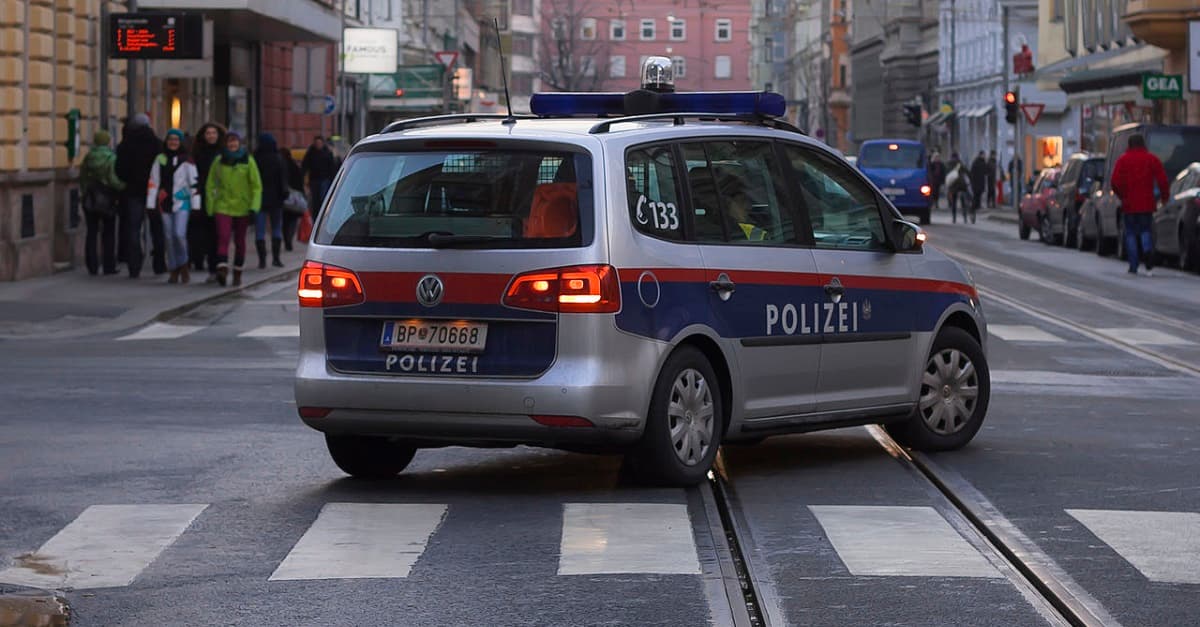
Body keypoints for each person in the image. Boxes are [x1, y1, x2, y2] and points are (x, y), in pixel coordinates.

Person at [205, 131, 262, 287]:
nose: (232, 144)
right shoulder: (218, 161)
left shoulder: (248, 161)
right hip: (223, 205)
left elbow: (256, 186)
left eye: (235, 141)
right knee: (223, 237)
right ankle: (222, 269)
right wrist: (210, 206)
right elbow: (210, 184)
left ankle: (237, 272)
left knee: (239, 240)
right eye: (229, 142)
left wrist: (254, 207)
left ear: (239, 143)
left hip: (243, 207)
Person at [147, 129, 201, 284]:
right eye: (170, 139)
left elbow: (194, 182)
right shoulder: (160, 159)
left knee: (179, 234)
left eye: (176, 140)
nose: (173, 142)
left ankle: (183, 264)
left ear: (180, 142)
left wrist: (196, 204)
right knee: (169, 237)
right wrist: (150, 203)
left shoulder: (187, 160)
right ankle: (173, 268)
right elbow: (153, 181)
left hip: (182, 201)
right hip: (164, 201)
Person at [1110, 133, 1169, 276]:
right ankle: (1147, 252)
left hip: (1129, 204)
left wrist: (1122, 195)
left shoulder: (1123, 160)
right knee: (1145, 230)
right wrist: (1164, 198)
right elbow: (1162, 180)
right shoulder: (1151, 159)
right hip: (1146, 203)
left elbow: (1114, 182)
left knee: (1130, 233)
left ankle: (1133, 265)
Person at [114, 113, 162, 278]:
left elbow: (119, 170)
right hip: (154, 190)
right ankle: (159, 263)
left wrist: (129, 180)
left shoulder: (125, 145)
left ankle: (134, 265)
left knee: (133, 229)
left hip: (133, 191)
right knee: (157, 228)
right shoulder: (157, 144)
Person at [79, 129, 125, 276]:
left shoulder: (88, 157)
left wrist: (85, 192)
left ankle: (92, 265)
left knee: (91, 232)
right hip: (107, 198)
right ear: (107, 141)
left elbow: (82, 177)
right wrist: (123, 187)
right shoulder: (111, 158)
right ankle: (108, 265)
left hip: (90, 198)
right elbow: (113, 179)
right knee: (109, 233)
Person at [191, 123, 225, 283]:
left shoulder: (224, 153)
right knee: (208, 233)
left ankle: (220, 265)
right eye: (208, 133)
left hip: (222, 198)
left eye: (213, 133)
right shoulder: (198, 154)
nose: (211, 136)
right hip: (203, 197)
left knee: (221, 234)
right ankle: (211, 266)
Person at [253, 133, 288, 269]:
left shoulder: (255, 158)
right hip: (276, 199)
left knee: (260, 230)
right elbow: (283, 180)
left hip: (259, 199)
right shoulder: (278, 158)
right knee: (276, 228)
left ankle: (262, 261)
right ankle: (276, 258)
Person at [301, 135, 337, 218]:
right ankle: (316, 216)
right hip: (314, 180)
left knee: (323, 199)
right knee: (315, 200)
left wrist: (333, 180)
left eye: (319, 143)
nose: (318, 145)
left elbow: (332, 167)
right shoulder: (311, 153)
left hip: (325, 179)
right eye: (317, 143)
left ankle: (323, 216)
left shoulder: (327, 153)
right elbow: (305, 166)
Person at [280, 146, 304, 251]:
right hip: (294, 198)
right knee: (293, 220)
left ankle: (287, 240)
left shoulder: (279, 165)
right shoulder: (294, 166)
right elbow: (300, 181)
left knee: (285, 221)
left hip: (283, 197)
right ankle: (289, 239)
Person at [969, 151, 988, 218]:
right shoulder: (976, 162)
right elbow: (972, 172)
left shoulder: (982, 162)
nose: (984, 156)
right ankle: (972, 209)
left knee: (978, 195)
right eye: (983, 155)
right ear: (980, 155)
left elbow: (986, 171)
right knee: (976, 196)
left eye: (984, 155)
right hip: (976, 182)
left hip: (980, 182)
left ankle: (976, 207)